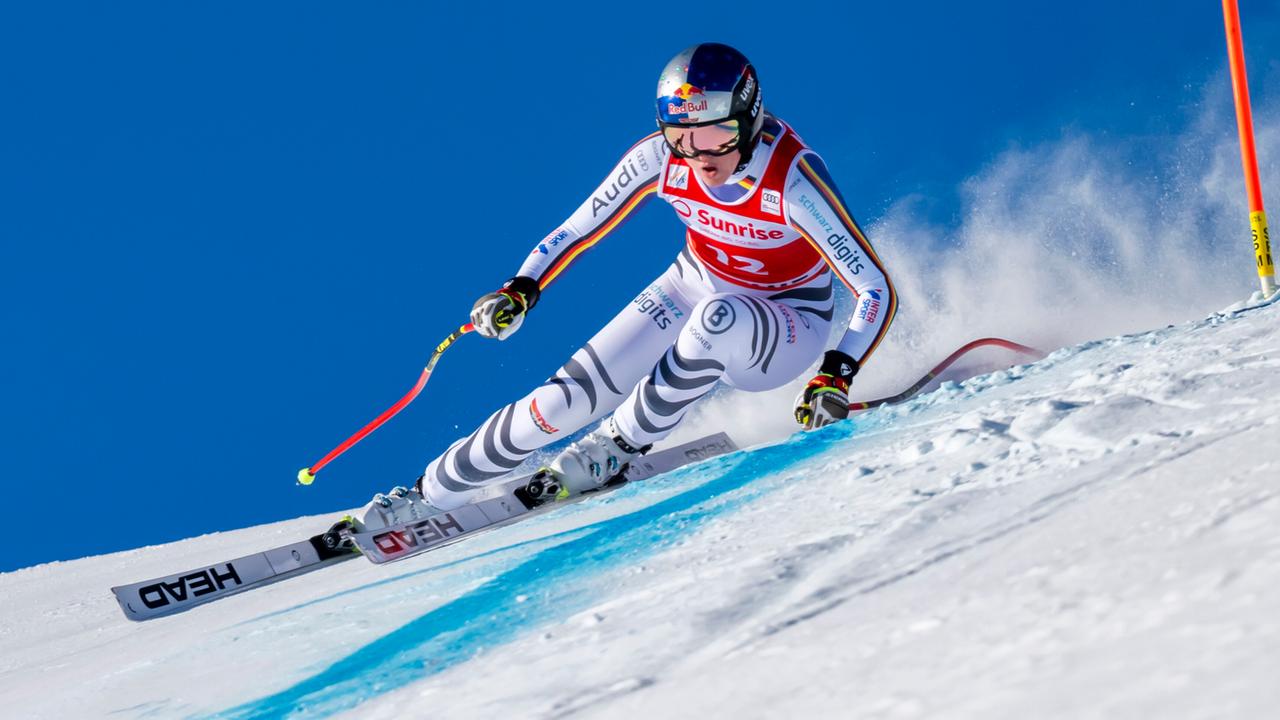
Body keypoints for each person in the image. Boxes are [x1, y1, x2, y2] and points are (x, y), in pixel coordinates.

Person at [391, 42, 896, 521]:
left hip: (787, 322)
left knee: (717, 320)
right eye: (682, 137)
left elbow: (875, 288)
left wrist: (836, 372)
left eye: (715, 135)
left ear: (749, 119)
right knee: (555, 405)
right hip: (691, 283)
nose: (699, 156)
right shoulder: (659, 160)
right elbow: (578, 229)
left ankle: (615, 447)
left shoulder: (791, 179)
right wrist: (521, 287)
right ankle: (423, 496)